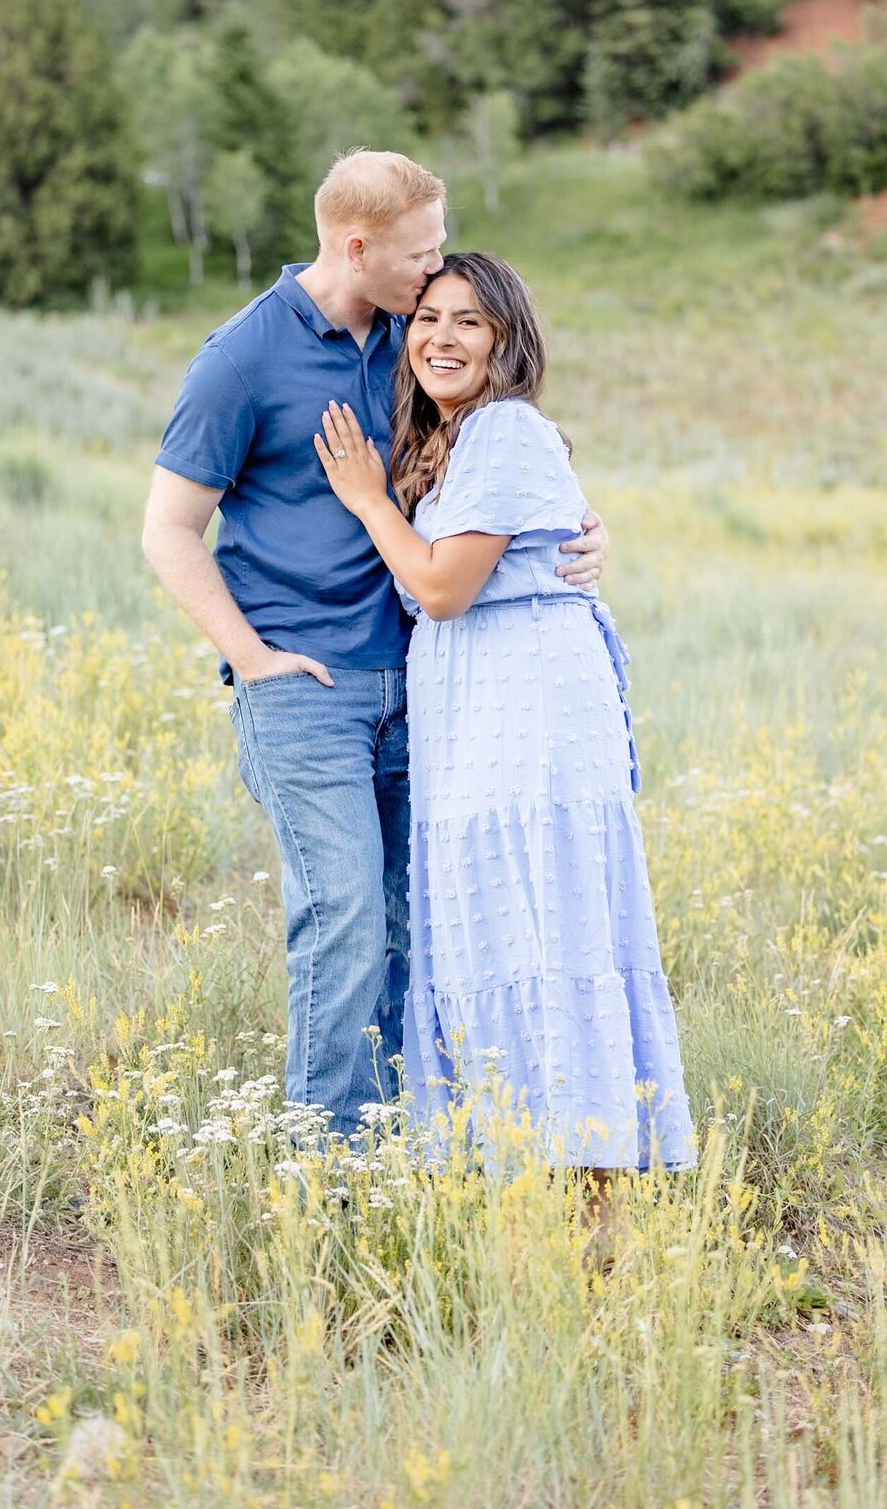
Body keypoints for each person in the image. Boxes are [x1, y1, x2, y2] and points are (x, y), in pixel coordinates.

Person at [141, 154, 610, 1140]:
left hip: (422, 685)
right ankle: (330, 1167)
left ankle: (403, 1143)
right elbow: (168, 529)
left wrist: (581, 526)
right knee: (346, 915)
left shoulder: (413, 334)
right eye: (421, 251)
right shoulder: (242, 358)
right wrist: (251, 655)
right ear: (359, 248)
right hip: (306, 688)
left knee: (411, 924)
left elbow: (508, 446)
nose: (436, 269)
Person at [314, 251, 695, 1188]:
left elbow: (441, 589)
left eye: (469, 322)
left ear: (507, 340)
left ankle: (592, 1193)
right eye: (430, 318)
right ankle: (527, 1178)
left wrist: (366, 499)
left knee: (543, 928)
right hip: (480, 711)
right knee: (497, 932)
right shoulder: (458, 444)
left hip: (528, 715)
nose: (442, 337)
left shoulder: (507, 432)